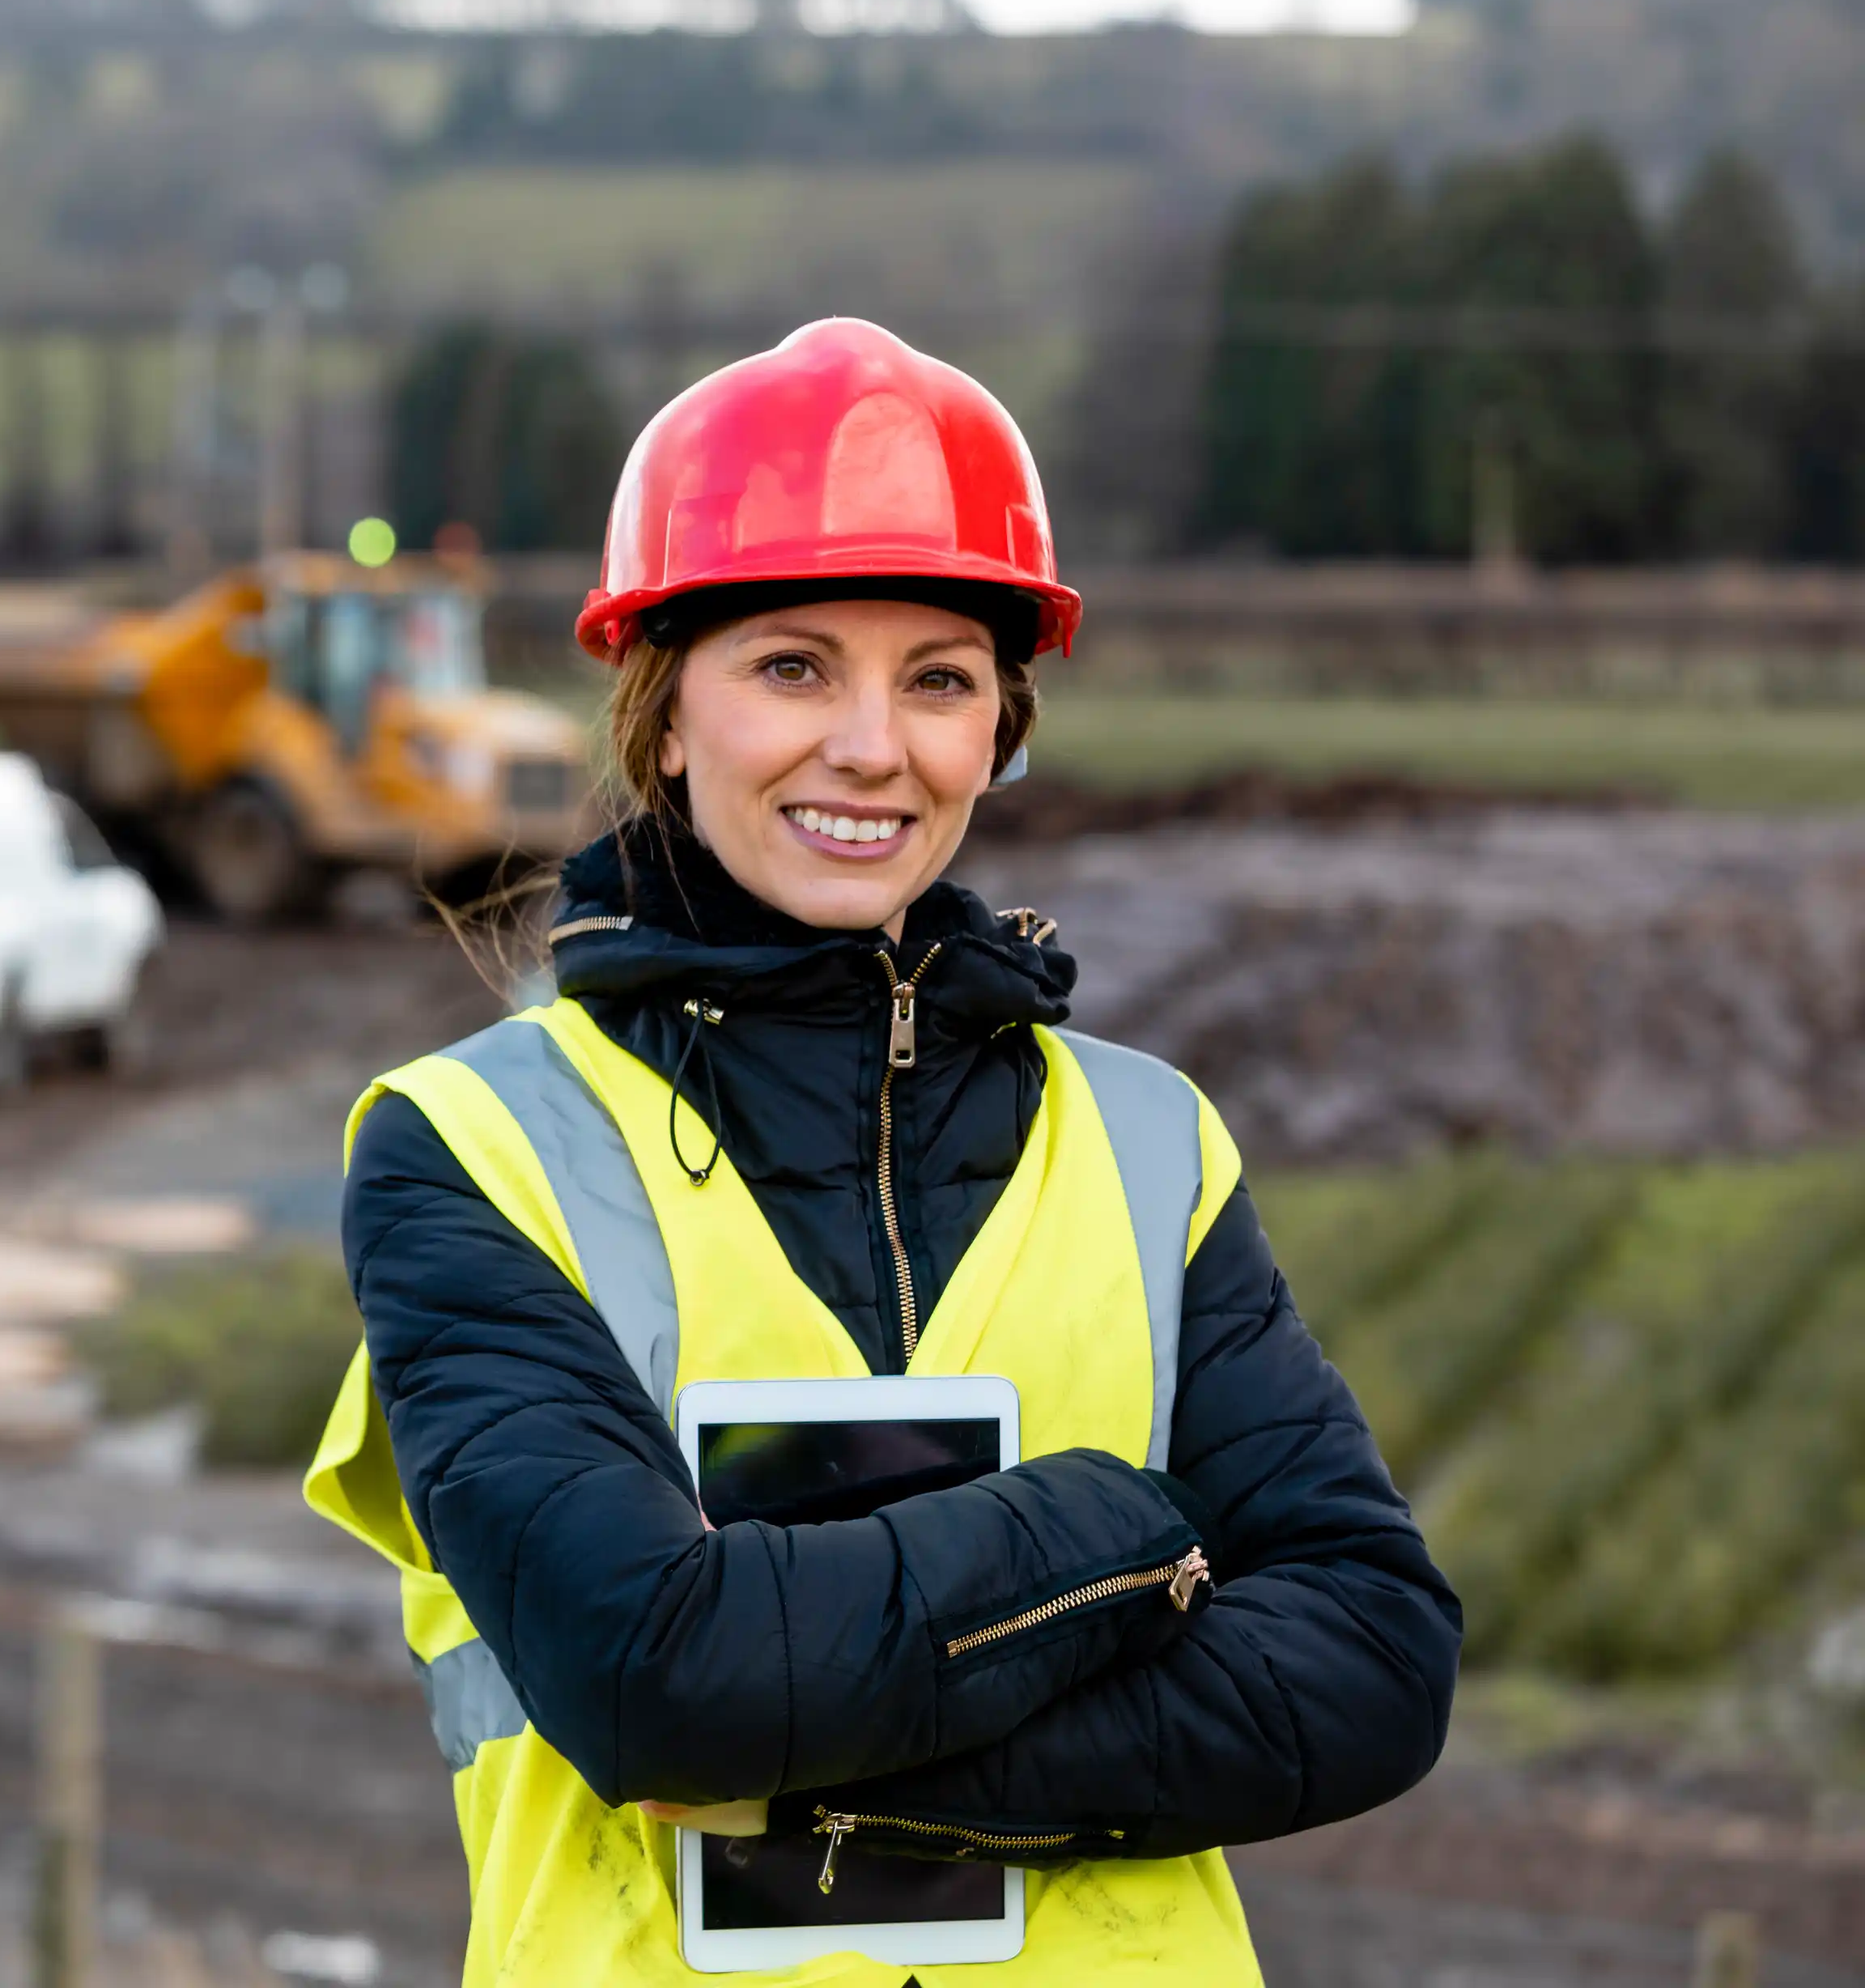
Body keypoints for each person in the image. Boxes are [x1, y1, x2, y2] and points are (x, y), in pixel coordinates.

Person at [305, 319, 1459, 1985]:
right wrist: (1111, 1530)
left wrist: (828, 1744)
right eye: (793, 663)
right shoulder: (474, 1151)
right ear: (666, 713)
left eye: (938, 676)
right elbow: (656, 1680)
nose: (872, 743)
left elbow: (1374, 1653)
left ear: (1001, 725)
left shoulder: (1146, 1143)